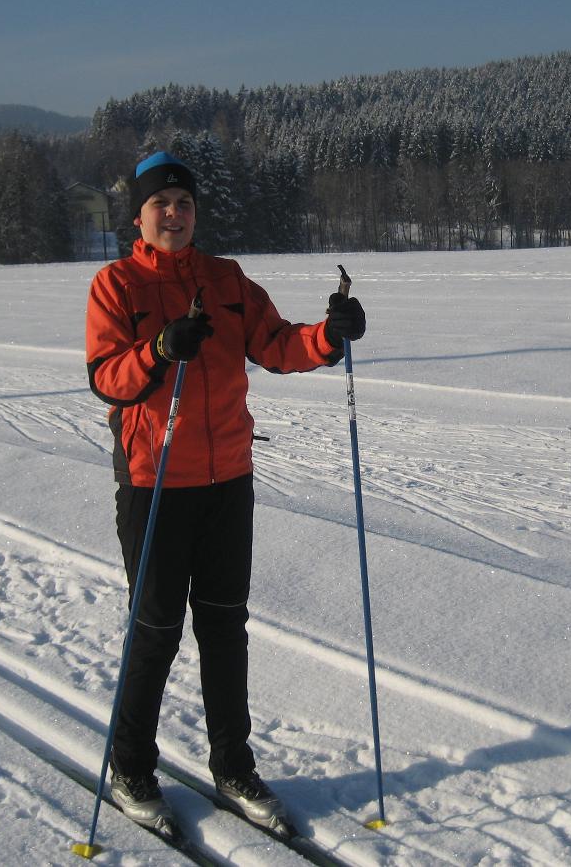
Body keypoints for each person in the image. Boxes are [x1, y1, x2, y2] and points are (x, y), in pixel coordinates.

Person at [85, 151, 366, 830]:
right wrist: (160, 350)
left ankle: (233, 766)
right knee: (155, 630)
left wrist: (329, 337)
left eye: (183, 203)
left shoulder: (226, 280)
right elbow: (106, 378)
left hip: (227, 481)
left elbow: (276, 344)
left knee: (223, 627)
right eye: (161, 204)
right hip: (155, 480)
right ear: (139, 217)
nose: (174, 214)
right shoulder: (116, 284)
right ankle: (131, 766)